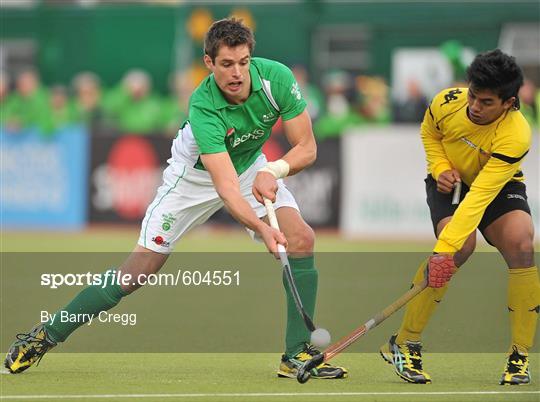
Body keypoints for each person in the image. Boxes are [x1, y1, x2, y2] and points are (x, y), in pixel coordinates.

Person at [4, 18, 347, 380]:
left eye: (243, 62)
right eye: (226, 64)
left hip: (251, 165)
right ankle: (45, 336)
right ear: (209, 63)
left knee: (301, 239)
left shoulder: (276, 79)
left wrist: (272, 170)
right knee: (136, 273)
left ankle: (295, 353)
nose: (237, 73)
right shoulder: (204, 105)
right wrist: (261, 228)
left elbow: (306, 148)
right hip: (194, 178)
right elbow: (226, 187)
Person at [380, 49, 538, 385]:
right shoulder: (447, 101)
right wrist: (439, 167)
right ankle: (405, 342)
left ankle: (519, 356)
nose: (474, 107)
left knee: (522, 243)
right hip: (448, 183)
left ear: (509, 103)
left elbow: (480, 196)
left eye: (486, 102)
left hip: (493, 185)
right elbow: (430, 133)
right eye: (473, 96)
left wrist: (443, 249)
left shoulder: (516, 134)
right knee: (460, 248)